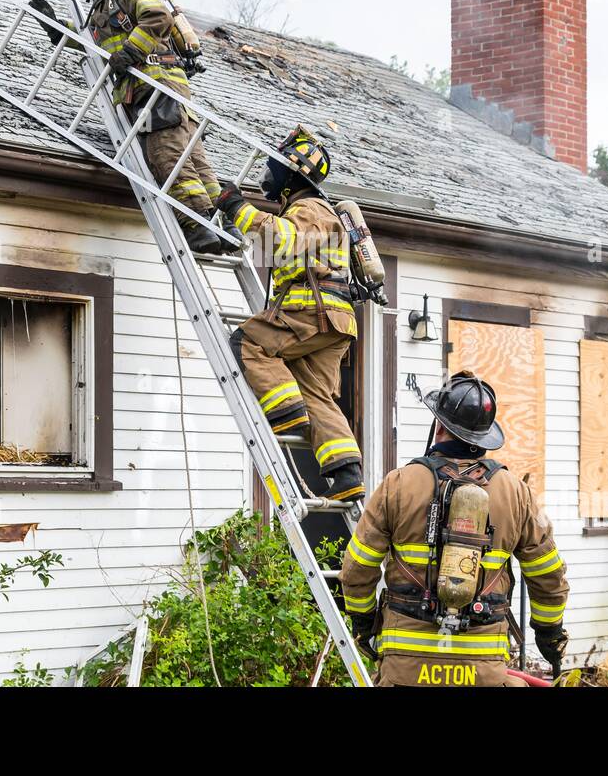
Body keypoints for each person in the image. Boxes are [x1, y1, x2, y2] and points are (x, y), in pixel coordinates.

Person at [338, 371, 570, 687]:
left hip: (406, 670)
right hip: (483, 672)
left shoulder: (399, 484)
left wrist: (364, 623)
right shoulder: (516, 492)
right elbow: (548, 575)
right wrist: (549, 632)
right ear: (485, 436)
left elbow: (357, 569)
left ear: (440, 427)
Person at [27, 0, 224, 253]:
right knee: (192, 157)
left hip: (156, 87)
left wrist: (132, 52)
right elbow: (96, 42)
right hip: (158, 92)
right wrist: (57, 28)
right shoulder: (106, 6)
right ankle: (222, 221)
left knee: (165, 156)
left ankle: (196, 223)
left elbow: (158, 17)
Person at [214, 125, 365, 501]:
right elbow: (278, 253)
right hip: (333, 320)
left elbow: (279, 241)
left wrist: (236, 207)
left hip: (311, 311)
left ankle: (285, 413)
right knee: (316, 393)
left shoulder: (310, 208)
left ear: (292, 173)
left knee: (248, 341)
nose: (268, 172)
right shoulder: (309, 212)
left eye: (275, 166)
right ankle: (347, 473)